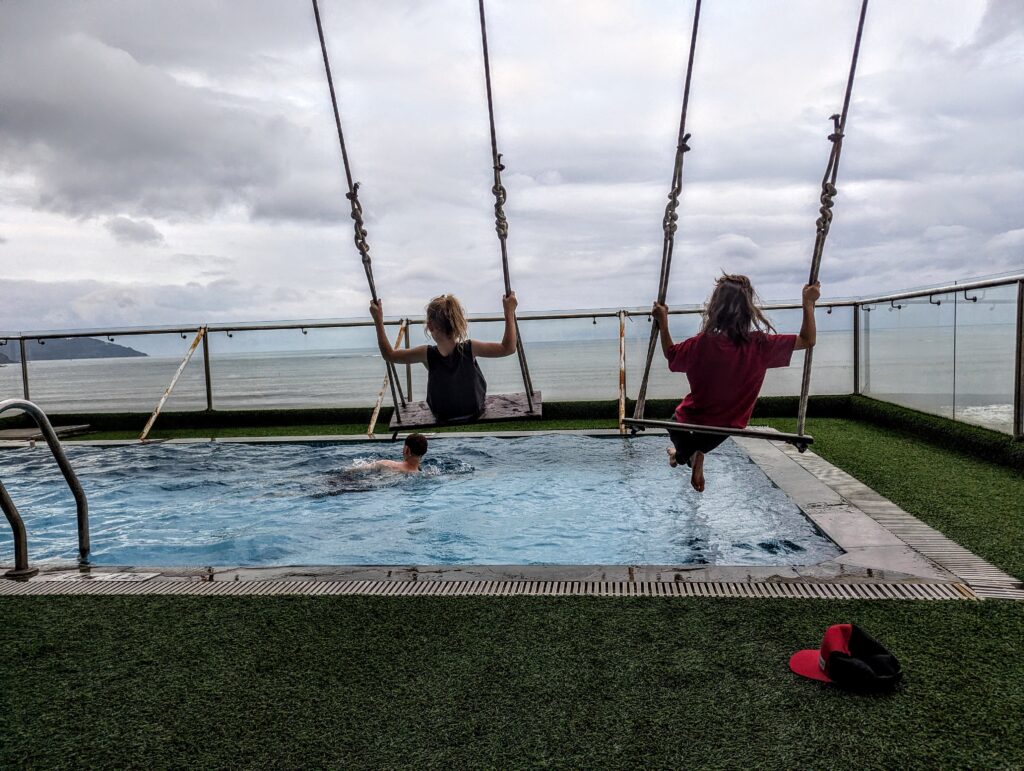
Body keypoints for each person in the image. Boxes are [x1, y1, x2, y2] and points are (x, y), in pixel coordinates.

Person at [652, 274, 820, 493]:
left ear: (714, 309)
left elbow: (671, 355)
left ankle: (686, 456)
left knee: (674, 426)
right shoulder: (760, 345)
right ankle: (684, 456)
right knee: (685, 451)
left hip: (689, 421)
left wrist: (663, 323)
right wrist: (808, 303)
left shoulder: (700, 344)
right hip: (726, 428)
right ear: (749, 310)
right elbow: (807, 340)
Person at [369, 292, 519, 422]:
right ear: (458, 323)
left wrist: (378, 320)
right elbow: (508, 348)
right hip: (473, 410)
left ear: (431, 326)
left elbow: (389, 355)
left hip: (442, 414)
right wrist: (509, 312)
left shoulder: (426, 353)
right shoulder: (470, 348)